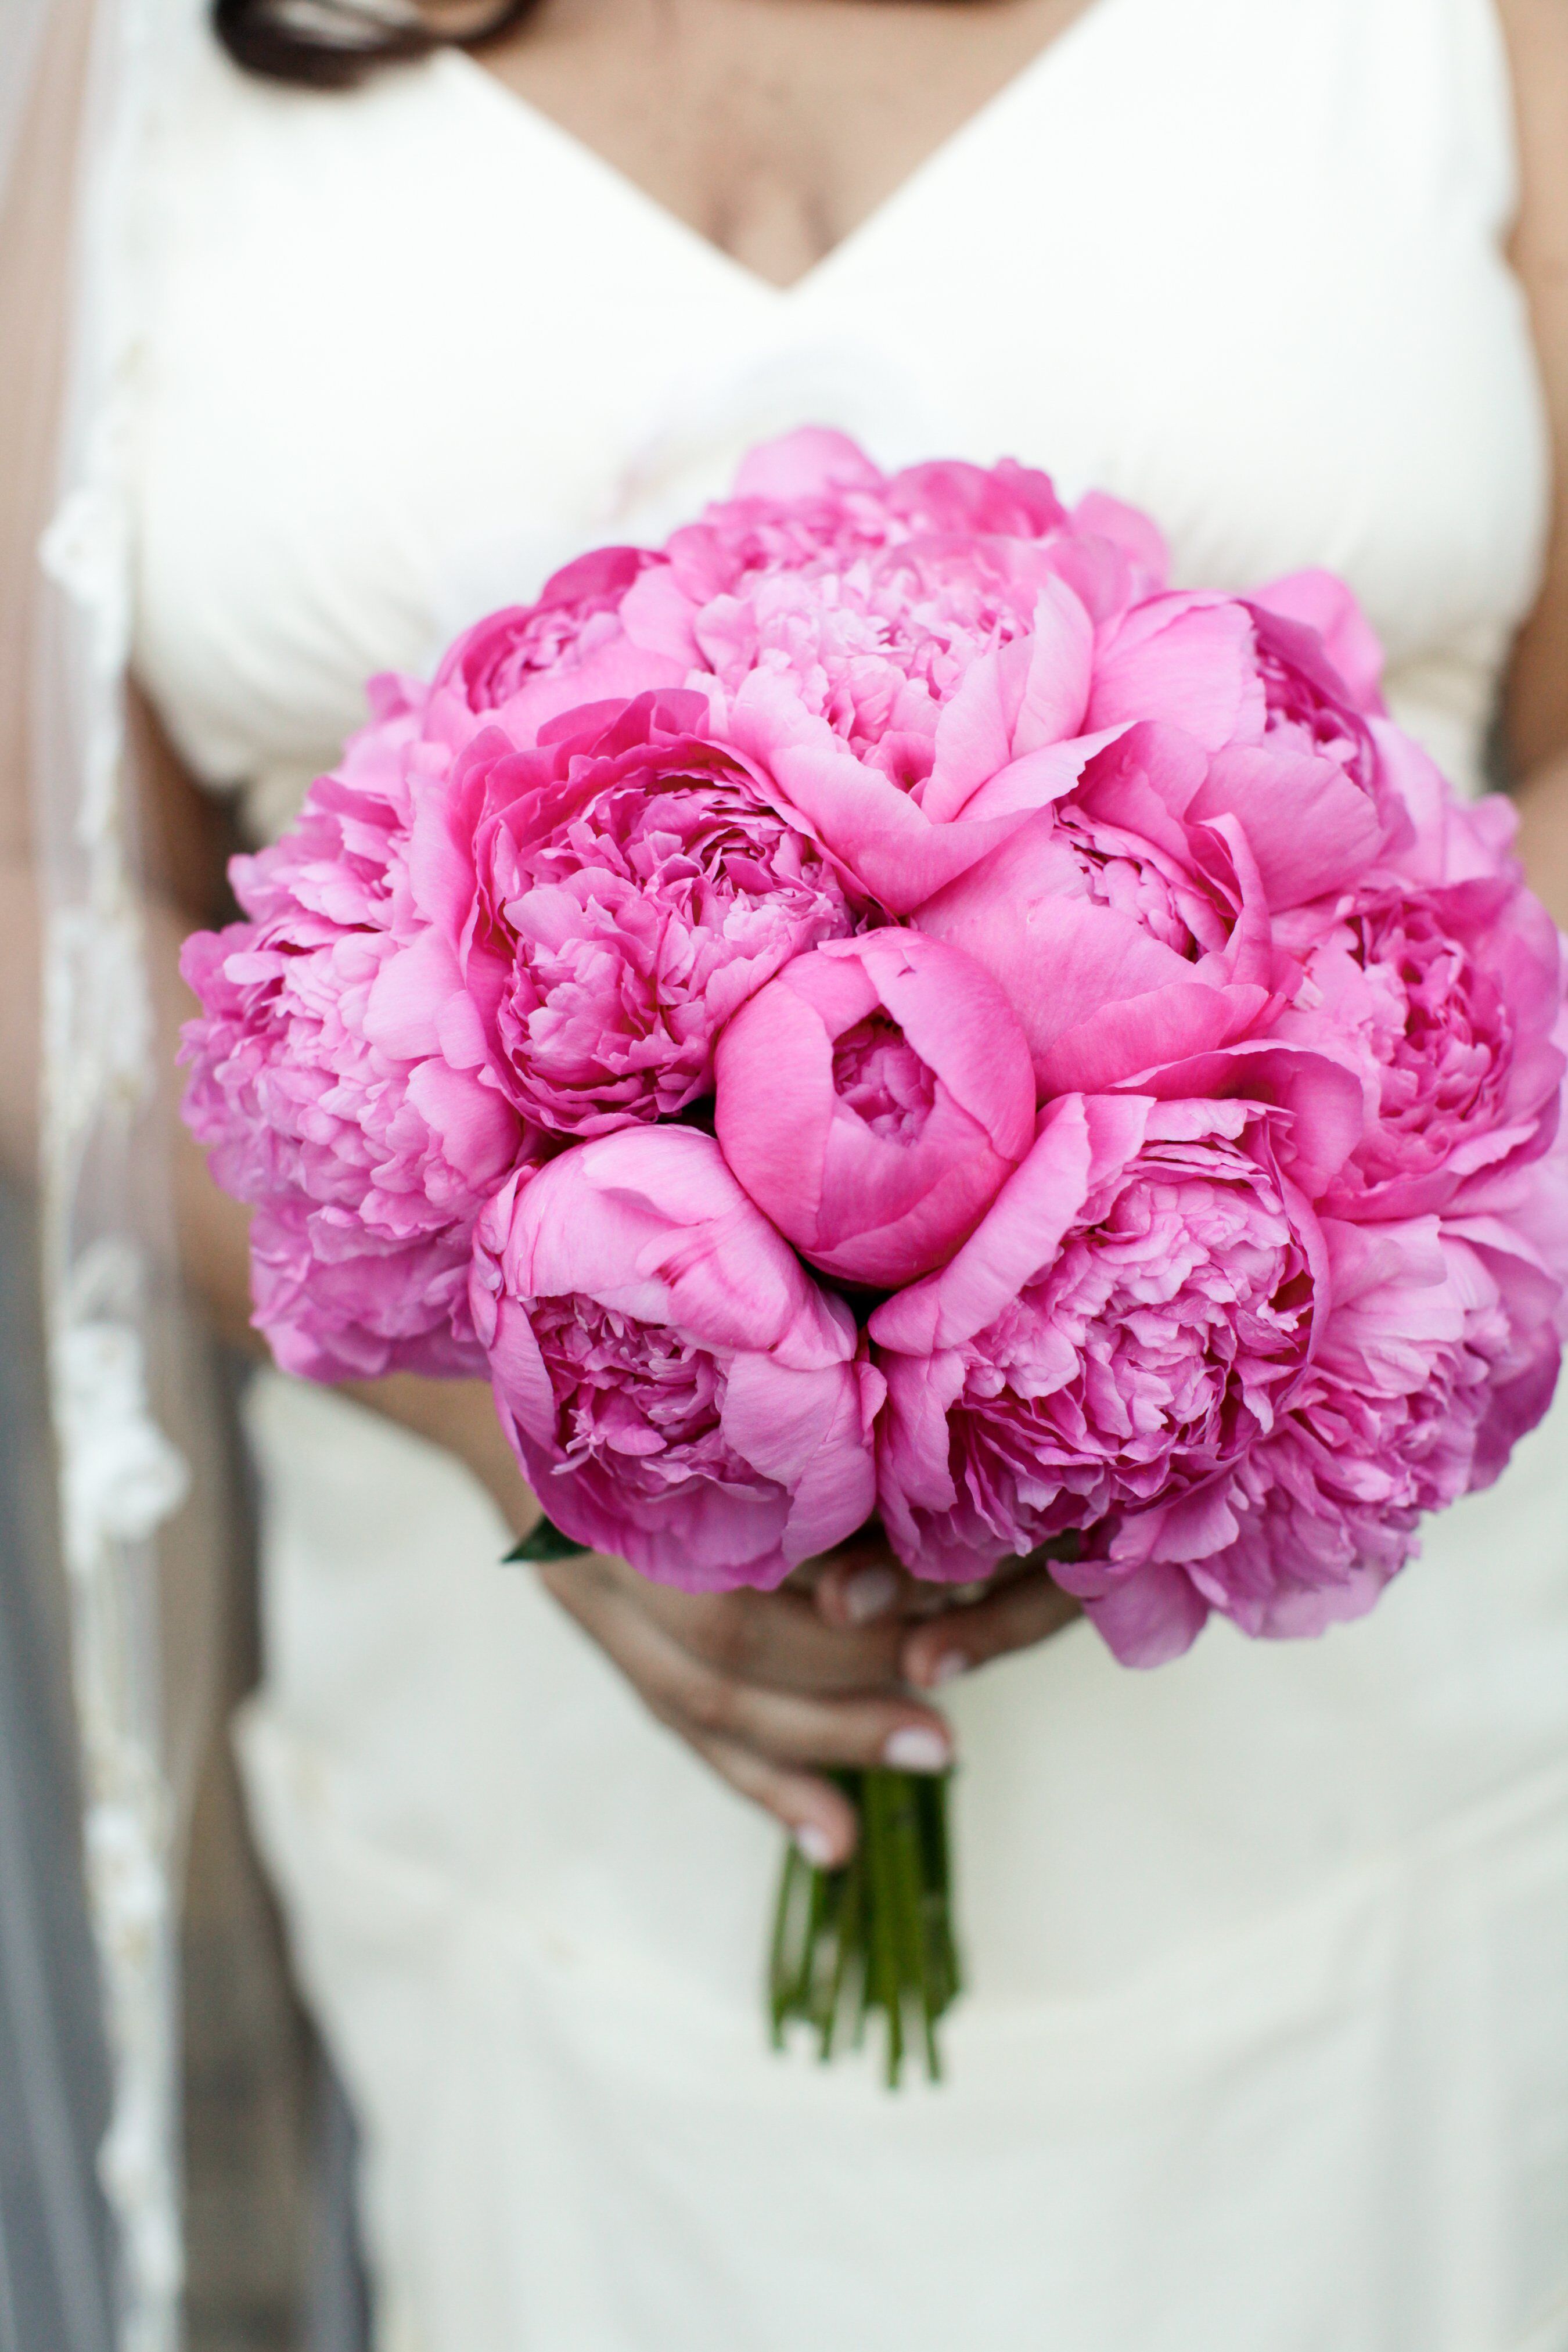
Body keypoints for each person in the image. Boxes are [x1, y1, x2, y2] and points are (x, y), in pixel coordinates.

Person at [4, 0, 1568, 2343]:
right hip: (535, 1838)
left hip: (1363, 1777)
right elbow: (48, 903)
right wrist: (544, 1398)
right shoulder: (111, 61)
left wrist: (1180, 1287)